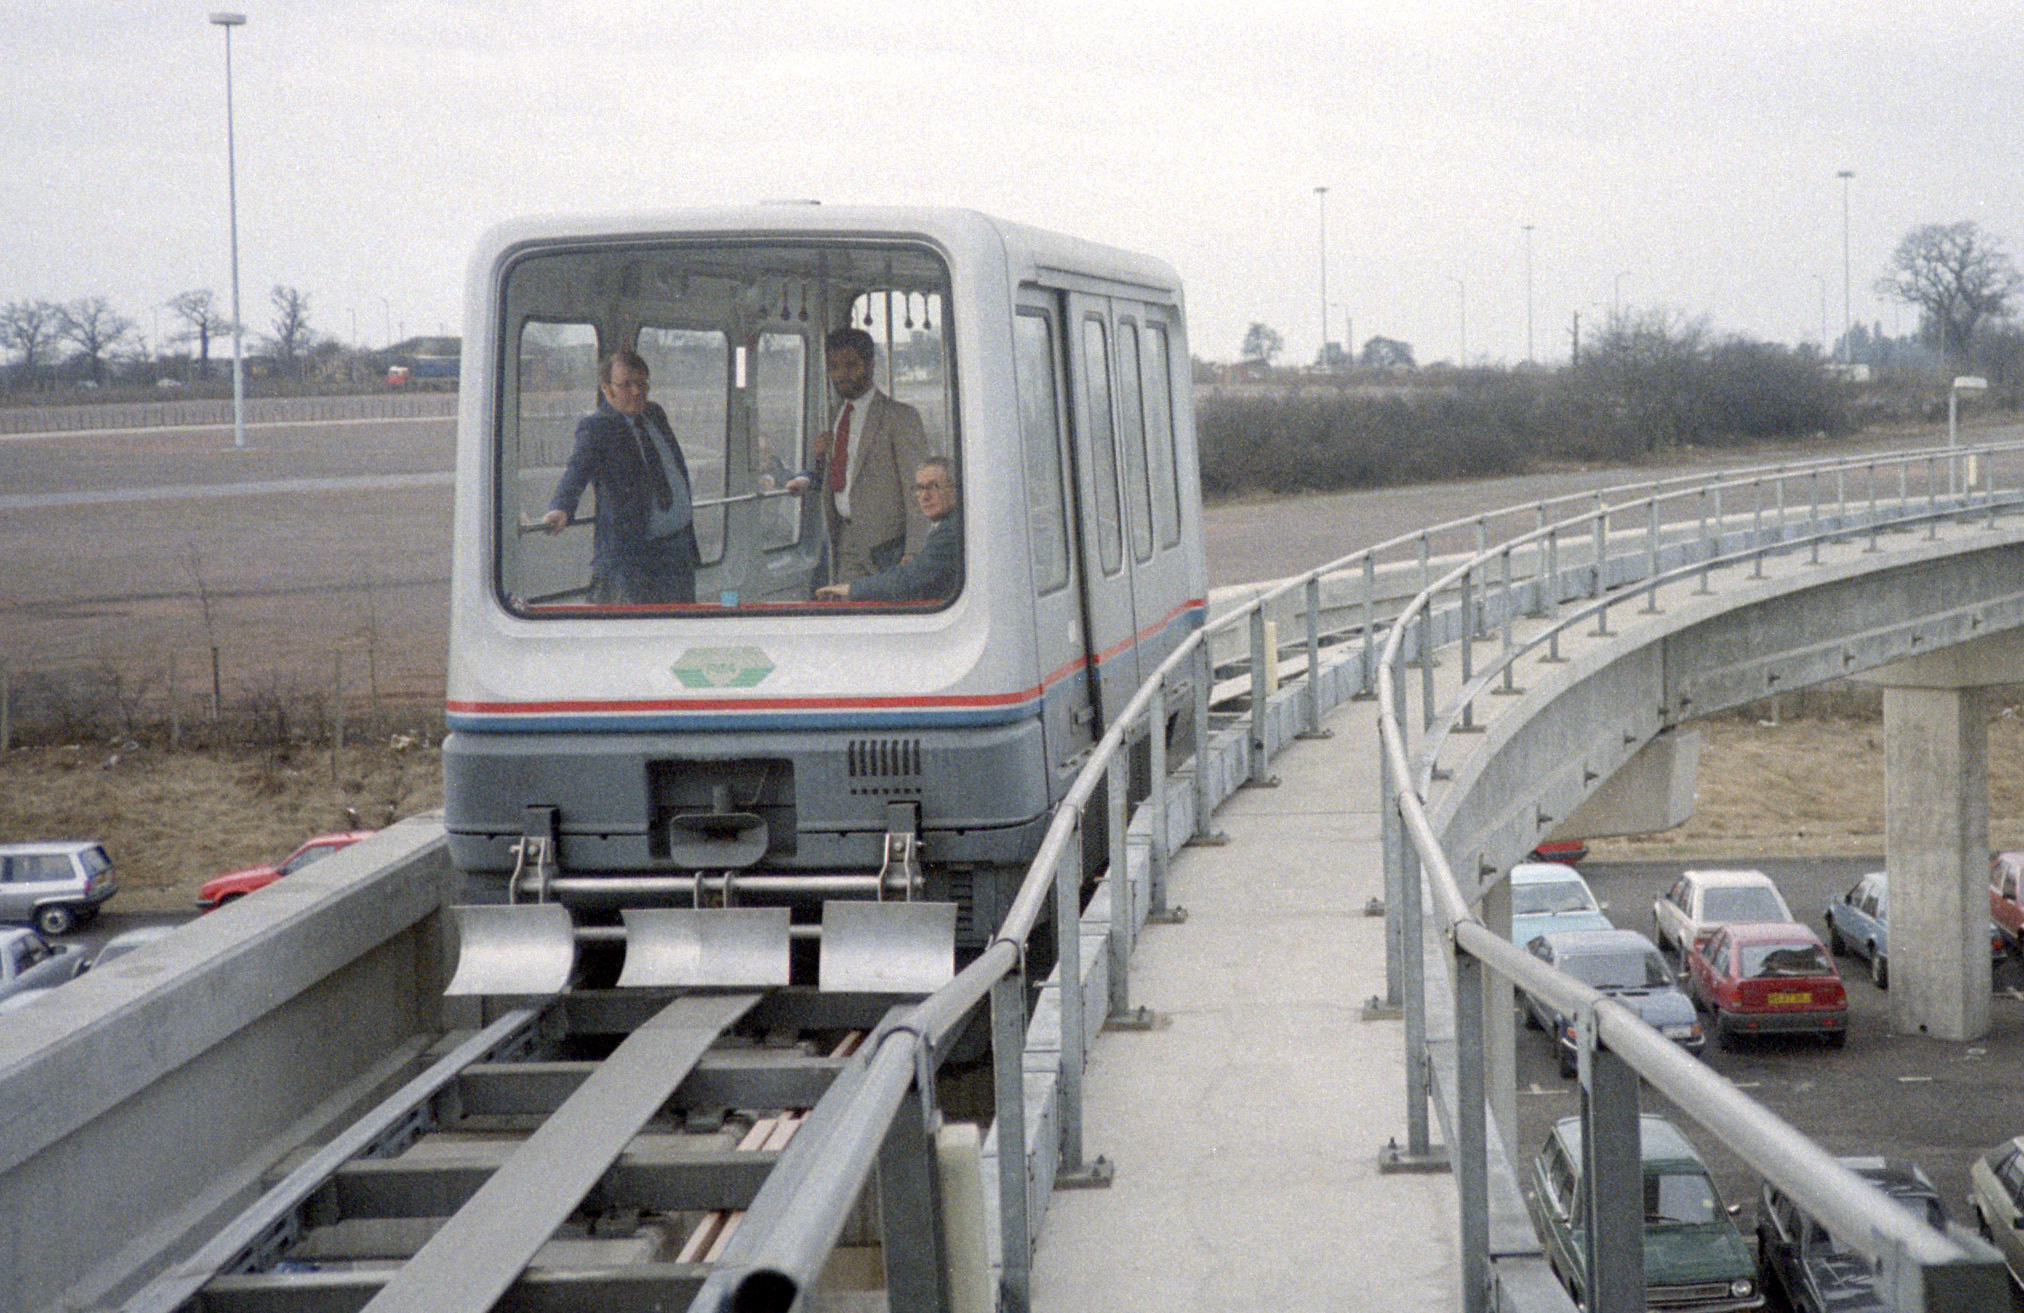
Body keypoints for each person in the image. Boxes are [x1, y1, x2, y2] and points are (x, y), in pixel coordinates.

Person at [542, 350, 698, 604]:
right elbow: (577, 469)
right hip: (636, 558)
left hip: (678, 551)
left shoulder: (655, 414)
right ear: (607, 388)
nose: (637, 391)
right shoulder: (598, 427)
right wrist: (561, 507)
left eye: (642, 383)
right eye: (626, 385)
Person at [787, 327, 930, 584]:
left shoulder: (899, 417)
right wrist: (815, 471)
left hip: (888, 546)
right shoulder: (834, 416)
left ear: (870, 365)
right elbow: (844, 476)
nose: (842, 375)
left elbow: (919, 488)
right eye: (834, 367)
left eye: (851, 365)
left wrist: (915, 551)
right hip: (845, 539)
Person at [815, 458, 961, 602]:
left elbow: (909, 580)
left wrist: (851, 589)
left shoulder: (950, 531)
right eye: (919, 488)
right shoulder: (946, 524)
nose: (924, 496)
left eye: (933, 486)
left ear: (955, 489)